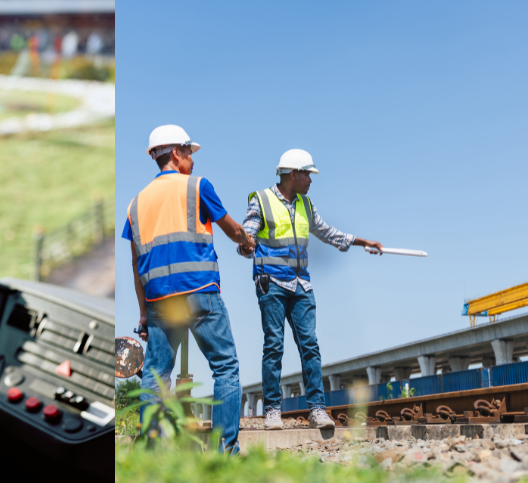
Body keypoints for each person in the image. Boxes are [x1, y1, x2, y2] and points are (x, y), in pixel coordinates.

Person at [125, 124, 252, 454]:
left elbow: (135, 264)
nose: (193, 161)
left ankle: (148, 454)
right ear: (177, 153)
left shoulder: (135, 204)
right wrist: (247, 241)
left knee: (156, 375)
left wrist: (143, 313)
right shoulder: (198, 186)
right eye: (189, 154)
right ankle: (226, 453)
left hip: (158, 300)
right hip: (200, 291)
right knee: (225, 366)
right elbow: (231, 229)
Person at [239, 149, 384, 431]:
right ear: (293, 174)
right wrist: (245, 245)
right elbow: (248, 234)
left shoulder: (306, 204)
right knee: (274, 346)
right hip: (271, 282)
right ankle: (272, 411)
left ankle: (317, 409)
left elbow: (328, 232)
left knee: (310, 345)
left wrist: (361, 241)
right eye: (308, 174)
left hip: (301, 283)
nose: (311, 180)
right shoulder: (262, 200)